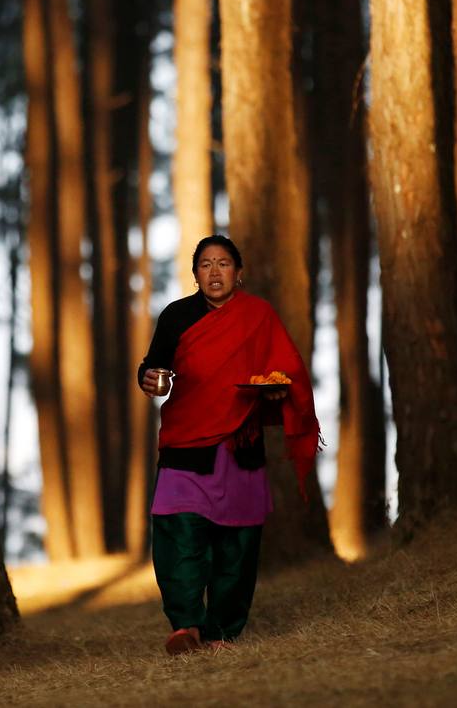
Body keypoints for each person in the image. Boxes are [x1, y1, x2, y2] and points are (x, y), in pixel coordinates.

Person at [138, 234, 321, 655]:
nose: (214, 271)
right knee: (176, 531)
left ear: (239, 273)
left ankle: (223, 631)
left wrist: (277, 390)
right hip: (186, 442)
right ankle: (185, 625)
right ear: (195, 274)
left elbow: (283, 369)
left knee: (237, 543)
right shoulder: (177, 316)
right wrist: (148, 378)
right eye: (205, 264)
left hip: (241, 440)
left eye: (223, 263)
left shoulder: (258, 315)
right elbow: (154, 368)